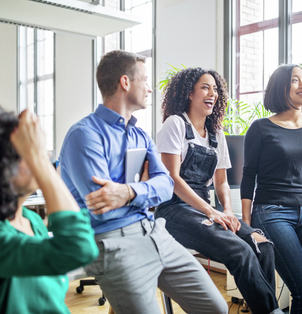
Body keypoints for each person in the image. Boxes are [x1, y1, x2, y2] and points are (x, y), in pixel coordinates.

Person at [59, 51, 227, 314]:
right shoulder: (84, 135)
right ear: (125, 82)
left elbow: (166, 186)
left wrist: (127, 191)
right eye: (145, 80)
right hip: (114, 242)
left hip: (154, 232)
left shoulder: (140, 135)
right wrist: (146, 191)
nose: (150, 89)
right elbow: (104, 208)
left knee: (216, 308)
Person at [155, 67, 283, 314]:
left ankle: (265, 309)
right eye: (205, 87)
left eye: (215, 89)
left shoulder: (215, 134)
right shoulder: (176, 124)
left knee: (263, 245)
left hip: (205, 208)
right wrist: (211, 212)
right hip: (174, 210)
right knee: (240, 251)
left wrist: (227, 211)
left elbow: (221, 181)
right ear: (189, 93)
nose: (212, 93)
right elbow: (172, 178)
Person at [241, 64, 302, 314]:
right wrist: (247, 225)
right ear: (280, 88)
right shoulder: (260, 128)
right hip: (270, 212)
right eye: (295, 80)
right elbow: (248, 175)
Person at [0, 108, 98, 314]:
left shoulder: (32, 220)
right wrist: (41, 163)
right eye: (26, 153)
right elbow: (79, 247)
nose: (41, 155)